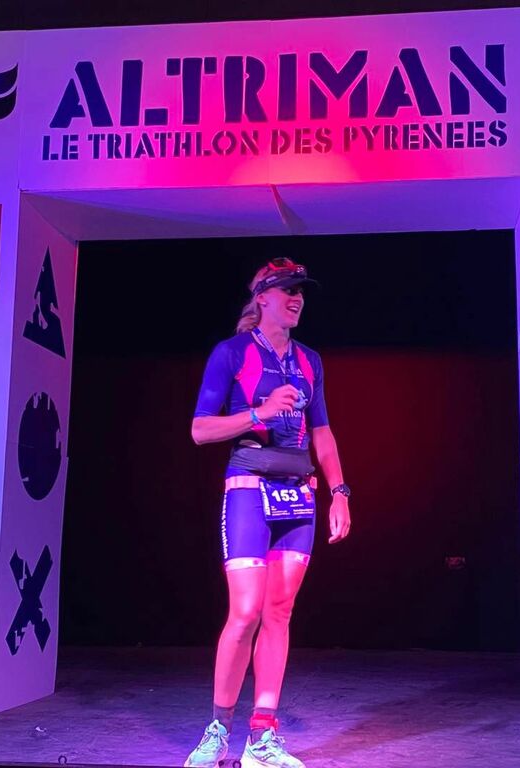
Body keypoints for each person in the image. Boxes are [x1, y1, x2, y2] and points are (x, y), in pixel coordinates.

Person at [185, 257, 352, 768]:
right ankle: (218, 731)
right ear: (261, 298)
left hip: (298, 494)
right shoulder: (232, 352)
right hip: (248, 489)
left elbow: (322, 430)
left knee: (279, 612)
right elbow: (200, 430)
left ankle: (262, 737)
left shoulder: (310, 360)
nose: (297, 298)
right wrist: (258, 413)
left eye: (301, 291)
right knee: (245, 612)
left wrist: (340, 491)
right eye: (287, 290)